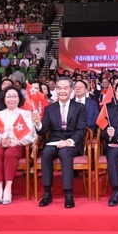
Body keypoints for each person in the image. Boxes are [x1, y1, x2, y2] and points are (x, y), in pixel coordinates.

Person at [31, 77, 87, 209]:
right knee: (46, 153)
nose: (62, 91)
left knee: (65, 152)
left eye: (65, 88)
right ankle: (47, 193)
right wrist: (38, 123)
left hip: (72, 142)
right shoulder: (50, 108)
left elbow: (81, 129)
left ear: (71, 90)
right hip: (54, 141)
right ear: (56, 90)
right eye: (59, 88)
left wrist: (69, 141)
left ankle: (68, 194)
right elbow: (44, 130)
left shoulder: (80, 107)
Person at [0, 87, 37, 205]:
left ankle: (8, 187)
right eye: (9, 96)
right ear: (4, 99)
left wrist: (15, 141)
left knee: (9, 153)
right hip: (0, 144)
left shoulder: (26, 114)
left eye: (15, 96)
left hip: (17, 145)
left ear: (19, 99)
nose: (11, 99)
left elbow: (31, 135)